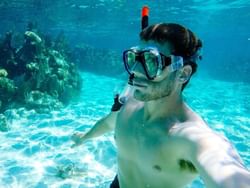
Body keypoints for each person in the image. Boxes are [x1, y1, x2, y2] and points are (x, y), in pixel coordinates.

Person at [71, 23, 250, 188]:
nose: (136, 70)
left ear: (183, 74)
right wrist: (85, 137)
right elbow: (110, 123)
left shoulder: (190, 137)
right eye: (135, 58)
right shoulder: (129, 105)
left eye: (152, 61)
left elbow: (222, 164)